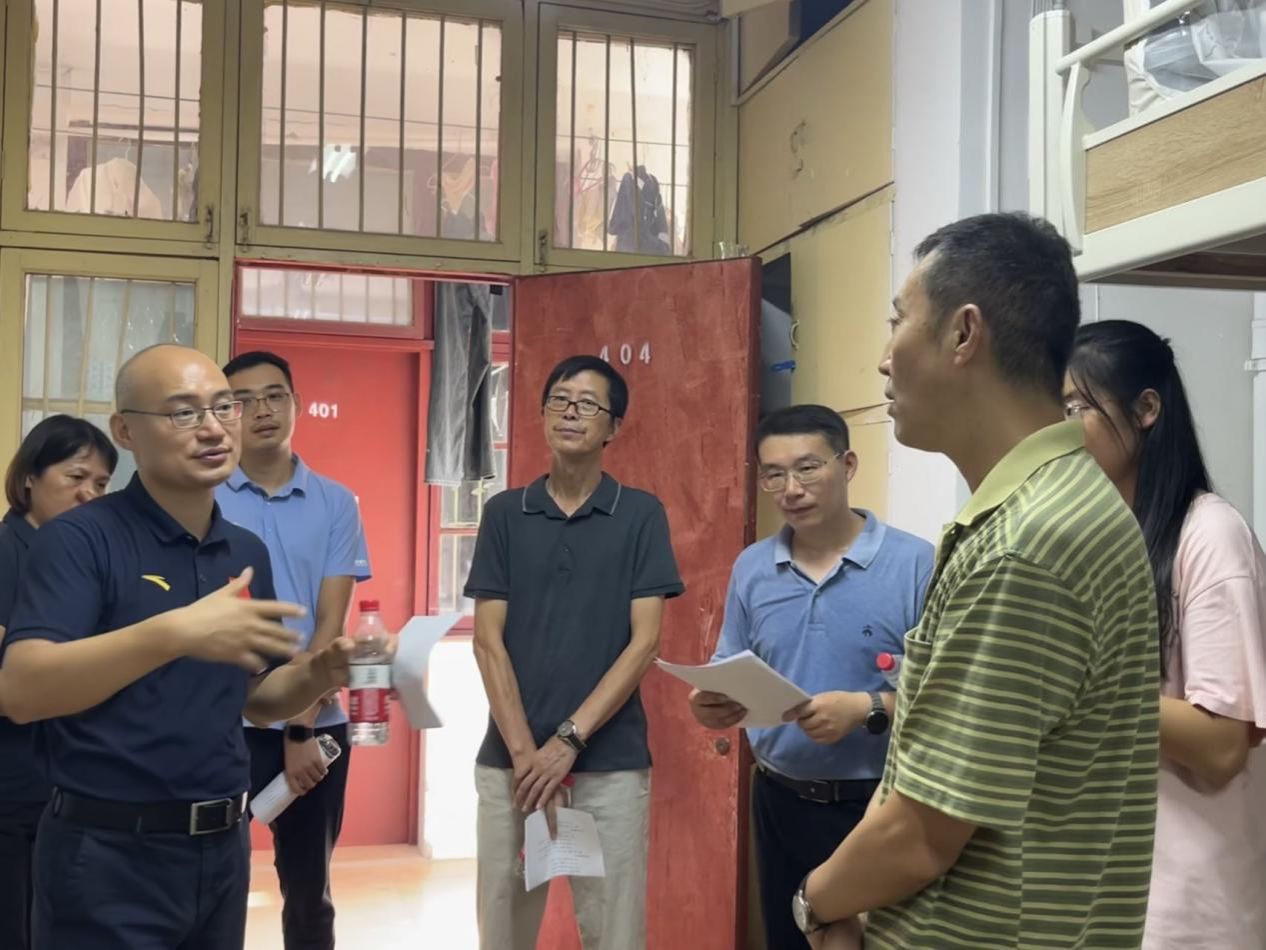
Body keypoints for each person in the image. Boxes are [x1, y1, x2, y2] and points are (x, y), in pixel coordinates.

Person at [794, 213, 1160, 949]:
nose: (883, 359)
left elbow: (922, 834)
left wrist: (814, 901)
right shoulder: (1047, 504)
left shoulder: (1027, 544)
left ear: (964, 334)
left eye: (897, 322)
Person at [0, 343, 354, 950]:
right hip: (106, 852)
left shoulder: (243, 551)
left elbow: (257, 697)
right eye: (184, 413)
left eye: (223, 407)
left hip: (222, 847)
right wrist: (175, 633)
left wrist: (323, 671)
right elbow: (22, 690)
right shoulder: (80, 539)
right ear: (126, 431)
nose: (213, 428)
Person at [687, 404, 932, 949]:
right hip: (780, 801)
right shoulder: (752, 567)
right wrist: (711, 703)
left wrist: (866, 709)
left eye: (807, 468)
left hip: (883, 808)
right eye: (774, 474)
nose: (791, 489)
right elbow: (731, 666)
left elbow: (949, 701)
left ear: (848, 464)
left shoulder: (916, 564)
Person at [465, 354, 684, 950]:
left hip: (608, 767)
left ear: (613, 426)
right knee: (503, 930)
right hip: (510, 767)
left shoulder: (640, 514)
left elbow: (644, 643)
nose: (570, 412)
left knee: (614, 932)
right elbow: (487, 642)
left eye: (588, 404)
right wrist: (526, 757)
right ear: (542, 414)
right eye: (559, 400)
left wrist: (566, 743)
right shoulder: (505, 513)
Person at [1066, 320, 1266, 950]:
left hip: (1188, 910)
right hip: (1104, 892)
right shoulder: (1100, 536)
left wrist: (1075, 691)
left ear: (1146, 409)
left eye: (1075, 409)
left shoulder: (1210, 536)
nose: (1058, 432)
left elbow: (1221, 742)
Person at [216, 350, 371, 950]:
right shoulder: (206, 499)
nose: (262, 410)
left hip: (316, 725)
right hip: (224, 726)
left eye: (274, 395)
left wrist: (300, 726)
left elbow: (331, 625)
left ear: (296, 405)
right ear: (225, 414)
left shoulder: (337, 503)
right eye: (243, 401)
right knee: (215, 883)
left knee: (309, 893)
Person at [0, 415, 117, 950]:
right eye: (75, 477)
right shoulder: (8, 552)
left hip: (76, 780)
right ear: (29, 478)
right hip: (14, 779)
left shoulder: (85, 559)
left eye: (101, 483)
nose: (89, 493)